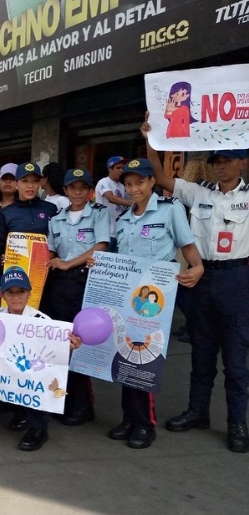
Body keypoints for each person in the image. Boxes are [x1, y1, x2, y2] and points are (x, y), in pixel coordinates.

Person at [143, 116, 249, 453]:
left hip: (237, 280)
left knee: (235, 359)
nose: (221, 166)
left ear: (243, 162)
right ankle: (197, 412)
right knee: (201, 353)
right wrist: (150, 139)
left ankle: (237, 424)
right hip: (200, 279)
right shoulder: (199, 192)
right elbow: (160, 177)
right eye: (217, 160)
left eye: (228, 160)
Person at [105, 158, 203, 449]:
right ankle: (129, 418)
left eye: (139, 183)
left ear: (151, 183)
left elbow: (186, 245)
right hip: (126, 297)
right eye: (128, 184)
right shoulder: (124, 219)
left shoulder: (169, 209)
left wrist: (197, 266)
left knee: (143, 358)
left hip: (154, 302)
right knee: (125, 354)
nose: (133, 189)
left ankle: (145, 424)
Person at [0, 161, 57, 432]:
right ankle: (18, 405)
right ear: (15, 184)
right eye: (23, 181)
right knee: (16, 348)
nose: (29, 186)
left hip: (45, 288)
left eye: (33, 181)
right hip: (14, 292)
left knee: (42, 349)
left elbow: (59, 245)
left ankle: (42, 406)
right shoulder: (6, 213)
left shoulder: (51, 211)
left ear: (40, 183)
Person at [43, 168, 109, 426]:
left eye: (83, 187)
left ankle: (83, 405)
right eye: (73, 187)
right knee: (61, 345)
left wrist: (69, 263)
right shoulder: (56, 219)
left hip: (86, 282)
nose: (78, 192)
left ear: (90, 190)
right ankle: (62, 400)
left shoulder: (100, 214)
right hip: (59, 286)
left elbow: (101, 245)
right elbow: (49, 252)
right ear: (66, 190)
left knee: (80, 346)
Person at [0, 267, 82, 450]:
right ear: (3, 295)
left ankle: (39, 428)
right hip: (8, 375)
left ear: (29, 294)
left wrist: (69, 349)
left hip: (32, 376)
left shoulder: (43, 322)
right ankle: (21, 411)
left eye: (21, 292)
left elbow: (55, 359)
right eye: (10, 292)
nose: (16, 297)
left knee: (39, 382)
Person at [94, 156, 133, 251]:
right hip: (104, 232)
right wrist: (133, 203)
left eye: (123, 168)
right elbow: (110, 198)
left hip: (118, 231)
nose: (121, 171)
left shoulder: (122, 186)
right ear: (110, 169)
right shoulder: (103, 182)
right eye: (118, 168)